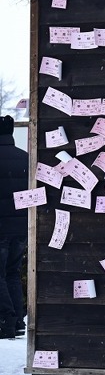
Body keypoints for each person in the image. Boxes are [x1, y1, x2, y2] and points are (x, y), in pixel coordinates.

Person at [0, 115, 28, 339]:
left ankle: (5, 322)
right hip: (21, 229)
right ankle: (18, 321)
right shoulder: (26, 159)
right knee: (12, 274)